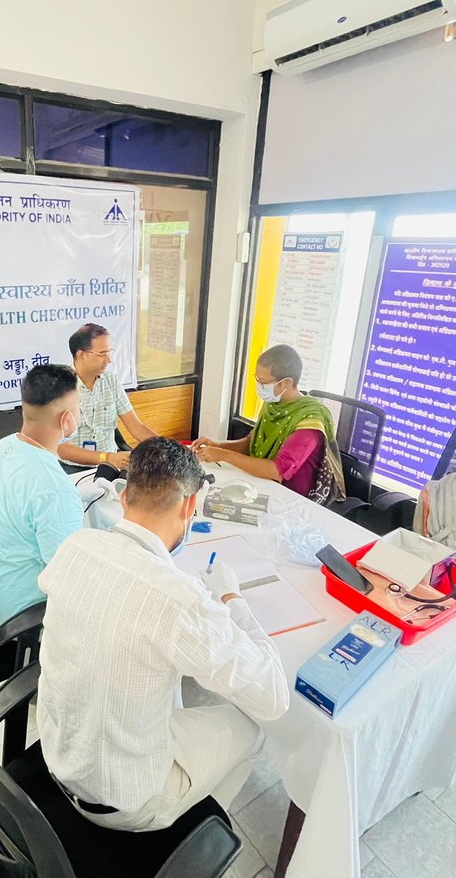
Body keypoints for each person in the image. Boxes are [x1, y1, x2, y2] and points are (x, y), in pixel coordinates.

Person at [37, 437, 289, 831]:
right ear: (190, 507)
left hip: (59, 762)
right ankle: (187, 833)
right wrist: (232, 599)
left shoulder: (76, 545)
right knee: (253, 729)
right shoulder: (179, 598)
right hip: (125, 802)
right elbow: (273, 698)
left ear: (124, 496)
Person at [0, 364, 84, 627]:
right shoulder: (53, 489)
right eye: (79, 406)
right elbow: (67, 579)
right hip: (25, 616)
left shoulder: (1, 448)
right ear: (66, 419)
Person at [193, 344, 345, 505]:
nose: (260, 387)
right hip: (261, 484)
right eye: (257, 380)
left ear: (286, 383)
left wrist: (223, 455)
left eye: (263, 382)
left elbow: (277, 471)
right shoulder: (274, 404)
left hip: (294, 498)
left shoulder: (309, 420)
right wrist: (218, 446)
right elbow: (251, 443)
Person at [58, 323, 156, 473]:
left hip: (110, 466)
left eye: (109, 352)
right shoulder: (61, 386)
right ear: (81, 355)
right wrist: (106, 457)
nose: (109, 360)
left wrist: (167, 448)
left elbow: (137, 427)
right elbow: (61, 447)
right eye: (102, 354)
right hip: (72, 469)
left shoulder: (110, 380)